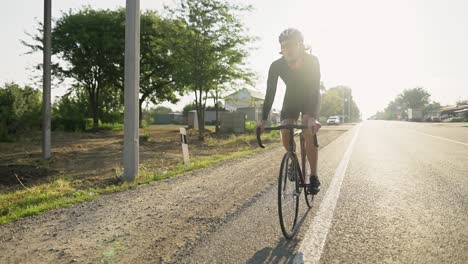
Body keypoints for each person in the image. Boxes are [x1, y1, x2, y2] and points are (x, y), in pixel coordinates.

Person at [258, 28, 322, 194]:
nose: (288, 49)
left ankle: (314, 176)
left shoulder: (312, 61)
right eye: (284, 46)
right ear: (281, 48)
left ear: (301, 45)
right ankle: (292, 158)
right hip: (291, 100)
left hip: (309, 98)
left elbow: (314, 89)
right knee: (285, 129)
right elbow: (270, 93)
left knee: (308, 130)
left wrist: (312, 117)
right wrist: (264, 119)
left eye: (292, 44)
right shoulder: (276, 65)